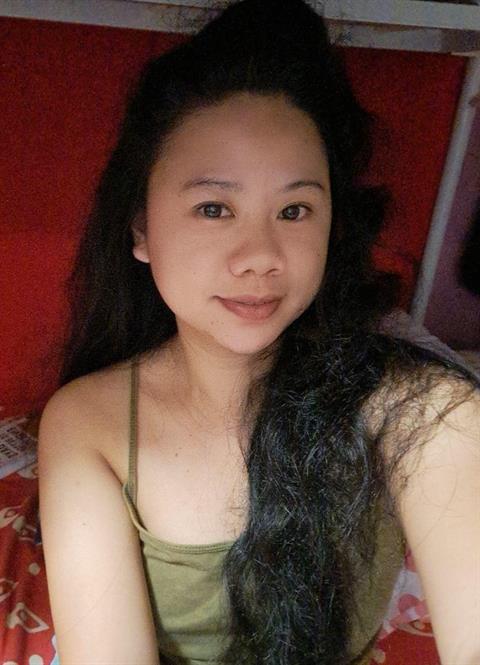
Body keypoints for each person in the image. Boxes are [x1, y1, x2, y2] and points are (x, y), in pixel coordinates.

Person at [37, 1, 480, 663]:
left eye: (294, 210)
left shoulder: (428, 415)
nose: (261, 256)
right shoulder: (89, 424)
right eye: (214, 208)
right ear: (141, 229)